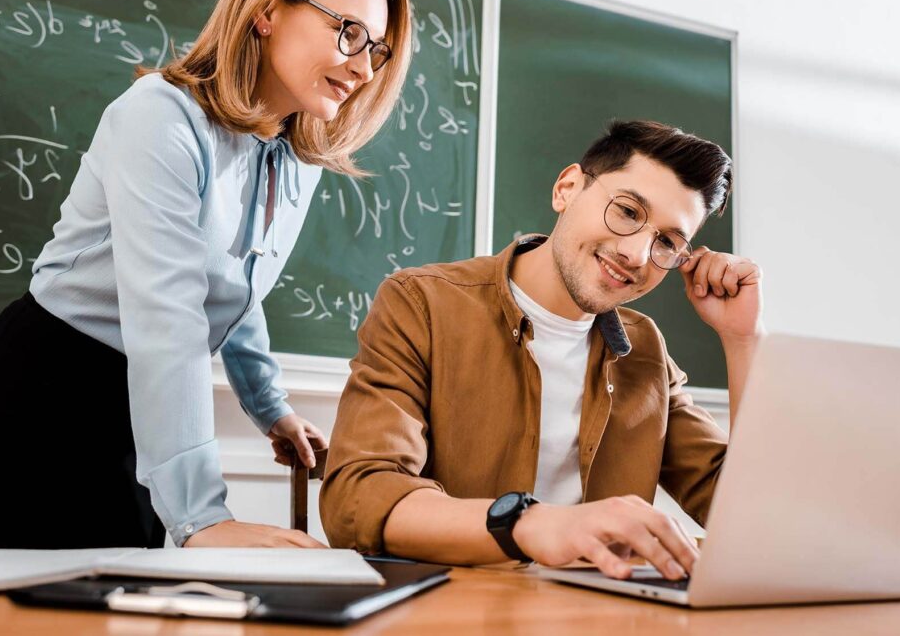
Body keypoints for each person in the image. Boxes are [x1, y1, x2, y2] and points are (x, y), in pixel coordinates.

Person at [0, 0, 411, 550]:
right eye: (348, 31)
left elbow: (236, 287)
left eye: (376, 49)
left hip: (147, 410)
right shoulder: (161, 116)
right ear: (269, 9)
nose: (363, 68)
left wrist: (268, 406)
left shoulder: (297, 158)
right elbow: (167, 313)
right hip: (47, 394)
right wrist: (203, 518)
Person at [320, 120, 764, 580]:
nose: (636, 253)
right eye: (629, 211)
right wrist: (531, 523)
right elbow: (357, 500)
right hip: (451, 611)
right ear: (567, 189)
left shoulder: (645, 348)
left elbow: (750, 518)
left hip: (593, 616)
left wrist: (742, 339)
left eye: (667, 242)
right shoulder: (422, 303)